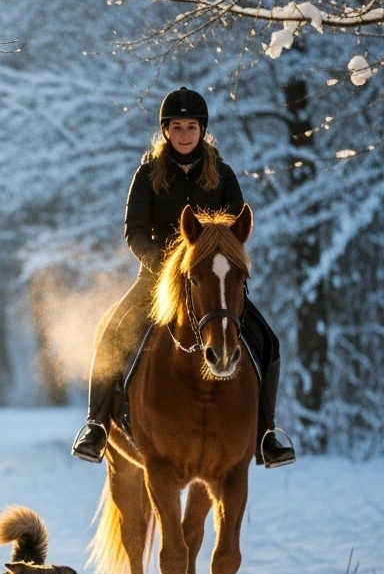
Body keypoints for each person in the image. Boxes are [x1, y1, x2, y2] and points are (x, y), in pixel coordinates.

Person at [71, 86, 296, 469]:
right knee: (111, 331)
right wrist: (165, 265)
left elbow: (236, 225)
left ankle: (266, 432)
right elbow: (134, 232)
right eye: (177, 127)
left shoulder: (222, 174)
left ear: (203, 130)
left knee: (267, 340)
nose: (185, 134)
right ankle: (96, 426)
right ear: (165, 131)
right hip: (157, 278)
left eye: (192, 126)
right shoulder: (147, 174)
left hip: (213, 281)